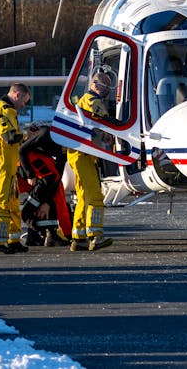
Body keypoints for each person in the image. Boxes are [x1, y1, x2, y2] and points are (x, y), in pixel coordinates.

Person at [68, 70, 115, 252]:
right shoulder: (93, 102)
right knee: (95, 195)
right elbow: (104, 123)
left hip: (77, 154)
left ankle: (78, 237)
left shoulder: (81, 101)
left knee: (82, 197)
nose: (106, 92)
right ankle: (95, 235)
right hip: (84, 155)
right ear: (95, 85)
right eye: (105, 88)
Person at [0, 83, 31, 254]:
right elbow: (10, 136)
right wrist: (27, 135)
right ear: (17, 95)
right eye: (24, 101)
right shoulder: (3, 109)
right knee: (0, 201)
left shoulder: (7, 110)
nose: (23, 106)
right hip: (2, 162)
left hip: (9, 164)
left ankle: (12, 239)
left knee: (12, 202)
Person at [18, 124, 72, 247]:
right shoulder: (46, 136)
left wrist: (46, 202)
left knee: (53, 186)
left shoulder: (63, 153)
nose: (66, 151)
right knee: (46, 181)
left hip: (38, 161)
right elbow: (21, 150)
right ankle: (30, 219)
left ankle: (42, 234)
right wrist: (29, 175)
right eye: (66, 148)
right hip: (23, 160)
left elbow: (57, 179)